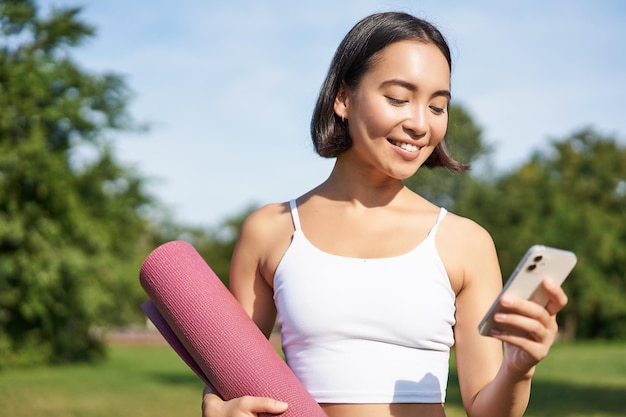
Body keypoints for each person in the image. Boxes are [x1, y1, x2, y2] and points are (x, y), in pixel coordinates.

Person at [201, 11, 568, 417]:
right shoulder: (269, 231)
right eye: (398, 99)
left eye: (437, 106)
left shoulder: (466, 242)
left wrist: (519, 369)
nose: (419, 124)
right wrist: (219, 409)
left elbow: (488, 411)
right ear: (343, 98)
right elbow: (228, 376)